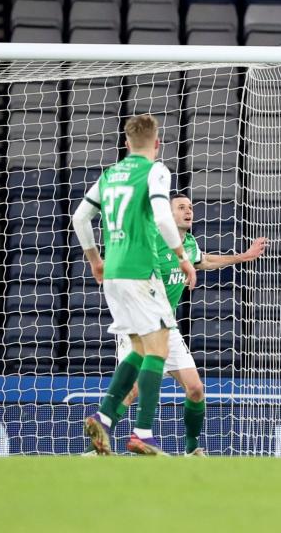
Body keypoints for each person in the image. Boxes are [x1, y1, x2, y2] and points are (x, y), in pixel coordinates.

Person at [94, 194, 268, 456]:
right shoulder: (152, 238)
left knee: (196, 389)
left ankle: (191, 449)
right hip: (141, 326)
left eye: (190, 208)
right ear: (167, 213)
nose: (189, 211)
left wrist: (243, 257)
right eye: (181, 207)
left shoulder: (187, 243)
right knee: (131, 392)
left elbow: (204, 260)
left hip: (168, 327)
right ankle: (95, 448)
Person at [71, 114, 197, 456]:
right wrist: (182, 256)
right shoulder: (155, 170)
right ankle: (142, 433)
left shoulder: (110, 174)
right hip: (141, 270)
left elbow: (79, 218)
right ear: (156, 143)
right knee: (157, 349)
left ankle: (105, 417)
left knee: (141, 349)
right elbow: (159, 214)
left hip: (112, 273)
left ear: (127, 143)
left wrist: (94, 259)